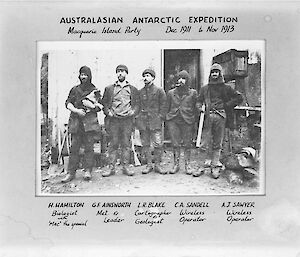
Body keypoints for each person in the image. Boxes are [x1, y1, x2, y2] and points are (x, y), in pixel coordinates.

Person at [193, 63, 243, 179]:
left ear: (220, 74)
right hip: (208, 117)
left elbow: (239, 97)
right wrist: (200, 108)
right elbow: (198, 101)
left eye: (216, 72)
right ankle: (201, 167)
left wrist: (227, 105)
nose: (214, 74)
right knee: (204, 143)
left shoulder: (226, 88)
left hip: (221, 116)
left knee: (217, 143)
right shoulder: (205, 88)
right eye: (213, 72)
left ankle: (214, 167)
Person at [61, 66, 102, 183]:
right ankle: (71, 173)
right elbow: (68, 102)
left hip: (89, 124)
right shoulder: (74, 89)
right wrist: (76, 111)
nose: (83, 77)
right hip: (76, 123)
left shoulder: (95, 90)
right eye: (81, 75)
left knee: (89, 148)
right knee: (74, 148)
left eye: (85, 75)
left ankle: (87, 171)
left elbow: (100, 106)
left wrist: (92, 107)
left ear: (89, 76)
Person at [101, 64, 140, 177]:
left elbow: (137, 104)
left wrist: (133, 112)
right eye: (118, 71)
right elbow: (104, 103)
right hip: (114, 120)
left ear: (126, 74)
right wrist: (108, 112)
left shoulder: (132, 89)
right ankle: (111, 168)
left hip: (127, 120)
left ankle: (125, 167)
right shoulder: (109, 88)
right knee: (113, 144)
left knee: (126, 144)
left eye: (123, 71)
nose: (120, 73)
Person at [166, 70, 201, 175]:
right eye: (179, 78)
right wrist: (168, 118)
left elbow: (196, 107)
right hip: (173, 120)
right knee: (175, 143)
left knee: (187, 144)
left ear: (187, 80)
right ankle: (176, 164)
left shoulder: (193, 93)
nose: (181, 81)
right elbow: (166, 107)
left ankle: (187, 165)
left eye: (183, 78)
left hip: (187, 120)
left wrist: (193, 118)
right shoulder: (171, 93)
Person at [135, 68, 167, 175]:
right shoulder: (140, 92)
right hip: (143, 122)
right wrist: (138, 118)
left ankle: (157, 165)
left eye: (148, 76)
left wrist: (160, 117)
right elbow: (138, 106)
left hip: (155, 121)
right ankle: (149, 165)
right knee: (145, 144)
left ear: (153, 78)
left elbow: (164, 106)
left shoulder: (159, 91)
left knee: (158, 143)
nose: (145, 78)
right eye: (144, 76)